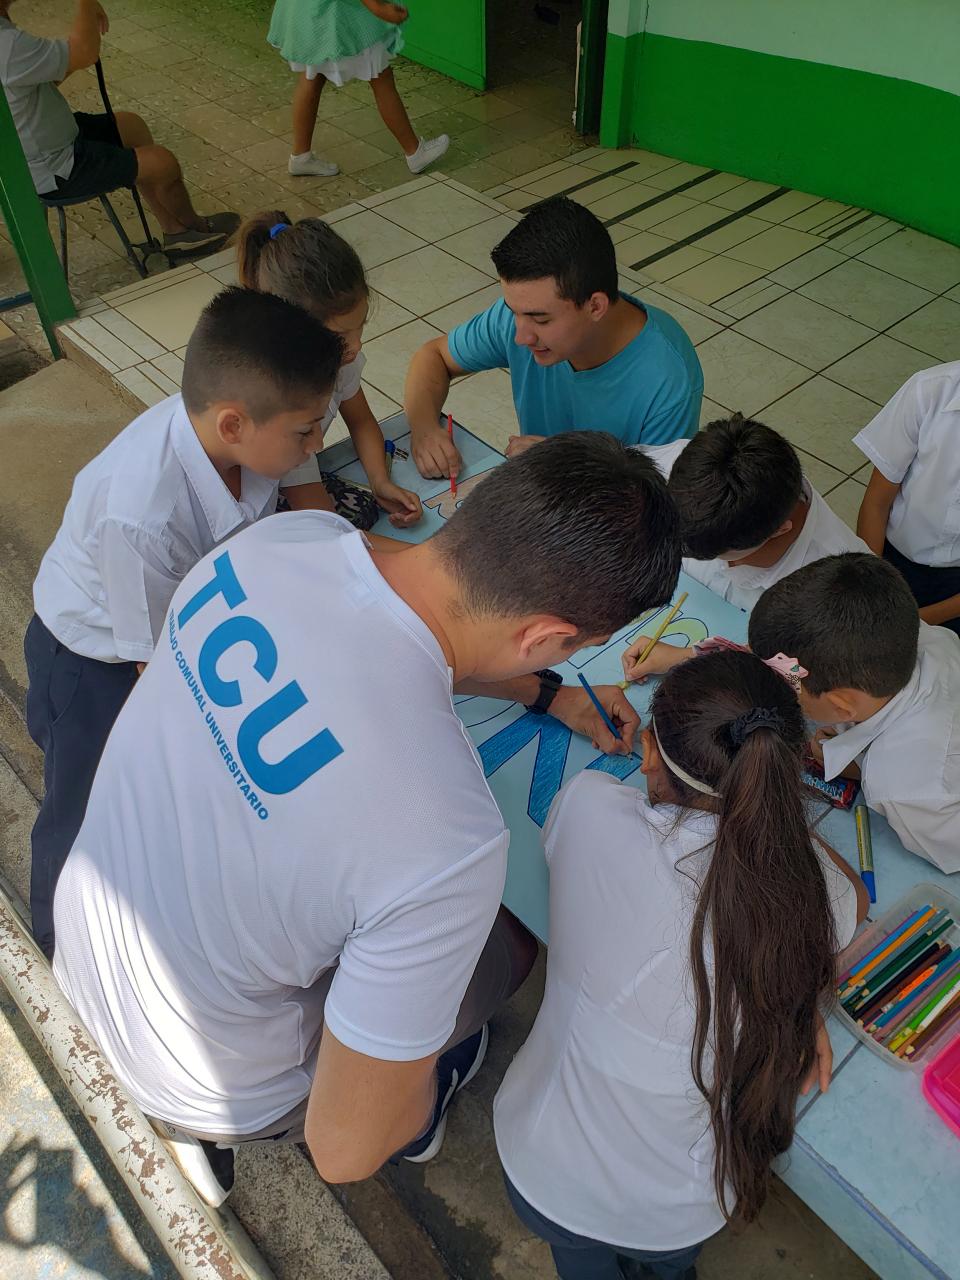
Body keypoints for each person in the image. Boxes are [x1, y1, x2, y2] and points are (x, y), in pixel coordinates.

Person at [52, 433, 680, 1207]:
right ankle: (426, 1096)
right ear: (548, 638)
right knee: (511, 940)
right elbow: (343, 1152)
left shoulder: (277, 543)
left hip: (79, 952)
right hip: (209, 1085)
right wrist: (396, 1091)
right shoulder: (447, 838)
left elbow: (418, 636)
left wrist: (549, 694)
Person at [494, 648, 866, 1280]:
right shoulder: (817, 890)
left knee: (580, 1265)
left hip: (539, 1167)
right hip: (680, 1208)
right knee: (671, 1267)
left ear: (649, 759)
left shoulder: (588, 806)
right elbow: (853, 894)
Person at [25, 287, 343, 958]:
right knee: (83, 808)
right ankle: (60, 951)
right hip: (93, 660)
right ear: (234, 425)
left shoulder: (241, 438)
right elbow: (159, 672)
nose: (319, 442)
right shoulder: (142, 513)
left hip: (171, 615)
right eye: (305, 430)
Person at [404, 196, 703, 481]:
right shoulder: (519, 317)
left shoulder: (667, 381)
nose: (520, 336)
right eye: (513, 311)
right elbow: (434, 357)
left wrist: (562, 466)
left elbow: (654, 507)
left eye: (541, 319)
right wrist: (424, 428)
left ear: (595, 306)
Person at [749, 553, 960, 876]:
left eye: (789, 687)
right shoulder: (919, 636)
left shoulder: (903, 791)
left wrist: (866, 767)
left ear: (842, 706)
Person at [0, 0, 238, 254]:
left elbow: (45, 73)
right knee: (162, 163)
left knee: (130, 125)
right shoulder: (8, 45)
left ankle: (175, 231)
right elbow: (83, 51)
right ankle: (194, 227)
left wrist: (73, 55)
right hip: (53, 167)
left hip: (39, 142)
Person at [237, 208, 422, 528]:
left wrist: (379, 480)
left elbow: (362, 421)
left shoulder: (336, 358)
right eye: (340, 336)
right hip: (253, 511)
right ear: (289, 332)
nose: (356, 347)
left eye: (359, 328)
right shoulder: (275, 400)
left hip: (292, 479)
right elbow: (322, 522)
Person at [267, 0, 448, 178]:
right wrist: (378, 7)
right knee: (380, 77)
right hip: (336, 15)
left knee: (312, 76)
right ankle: (415, 152)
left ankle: (300, 156)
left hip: (307, 11)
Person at [854, 360, 960, 637]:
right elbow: (877, 504)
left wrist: (917, 620)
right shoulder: (929, 390)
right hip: (889, 560)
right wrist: (870, 585)